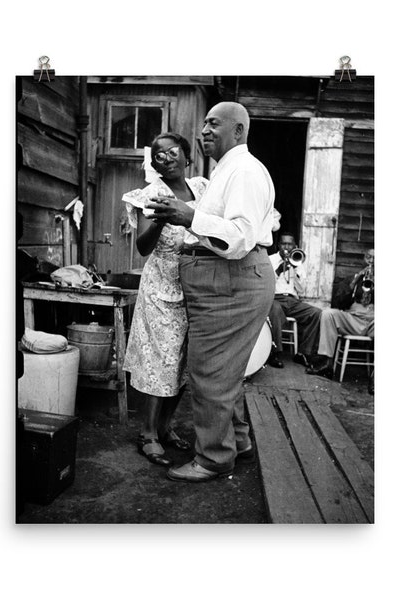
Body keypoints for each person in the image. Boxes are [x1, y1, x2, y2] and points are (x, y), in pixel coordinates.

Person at [144, 102, 276, 482]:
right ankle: (237, 441)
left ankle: (214, 459)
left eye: (214, 123)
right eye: (203, 123)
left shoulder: (245, 171)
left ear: (238, 131)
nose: (204, 130)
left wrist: (188, 216)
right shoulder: (227, 170)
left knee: (211, 374)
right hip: (225, 278)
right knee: (226, 373)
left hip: (230, 277)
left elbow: (238, 236)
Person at [122, 133, 208, 466]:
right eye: (158, 155)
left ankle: (164, 426)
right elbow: (143, 247)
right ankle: (147, 434)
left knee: (183, 364)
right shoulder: (150, 194)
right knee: (160, 361)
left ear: (187, 156)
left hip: (196, 285)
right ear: (153, 163)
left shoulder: (202, 189)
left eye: (173, 152)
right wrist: (159, 221)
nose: (166, 158)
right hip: (161, 286)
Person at [307, 248, 375, 378]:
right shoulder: (354, 278)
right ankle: (326, 364)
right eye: (369, 258)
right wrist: (354, 283)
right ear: (364, 259)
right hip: (353, 319)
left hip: (374, 321)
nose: (372, 262)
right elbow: (339, 302)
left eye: (376, 259)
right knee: (328, 314)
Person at [266, 231, 322, 368]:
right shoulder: (270, 260)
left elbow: (302, 290)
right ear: (278, 245)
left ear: (294, 246)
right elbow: (265, 285)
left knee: (315, 313)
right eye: (283, 243)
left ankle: (303, 353)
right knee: (275, 309)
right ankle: (275, 353)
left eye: (289, 244)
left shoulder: (297, 261)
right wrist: (278, 271)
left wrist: (296, 269)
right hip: (275, 298)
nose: (286, 247)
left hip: (292, 300)